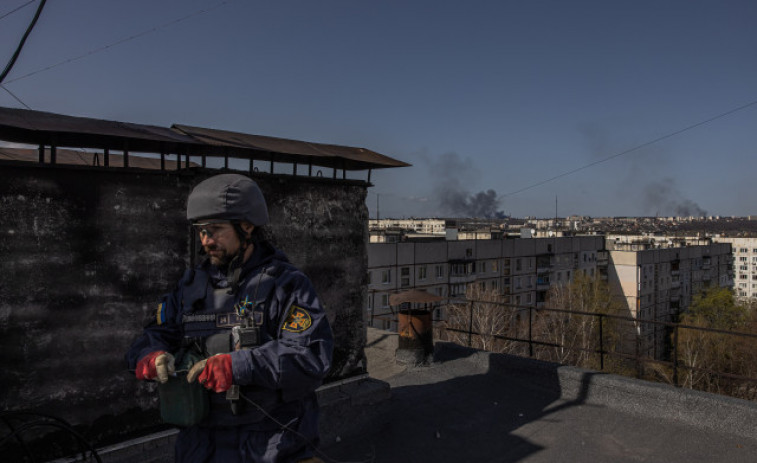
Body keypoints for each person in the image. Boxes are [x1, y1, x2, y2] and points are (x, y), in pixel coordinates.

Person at [125, 173, 333, 463]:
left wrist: (239, 365)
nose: (206, 240)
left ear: (246, 227)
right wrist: (150, 355)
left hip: (272, 443)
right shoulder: (190, 287)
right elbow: (155, 334)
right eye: (201, 231)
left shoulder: (286, 284)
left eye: (215, 230)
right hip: (201, 445)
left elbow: (311, 356)